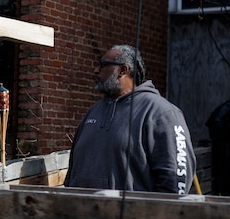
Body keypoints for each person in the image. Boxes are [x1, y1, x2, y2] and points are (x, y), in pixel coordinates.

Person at [65, 44, 195, 194]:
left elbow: (175, 182)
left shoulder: (162, 113)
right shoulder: (93, 112)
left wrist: (153, 215)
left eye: (103, 65)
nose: (96, 70)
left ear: (123, 70)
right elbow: (73, 170)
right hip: (81, 213)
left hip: (132, 216)